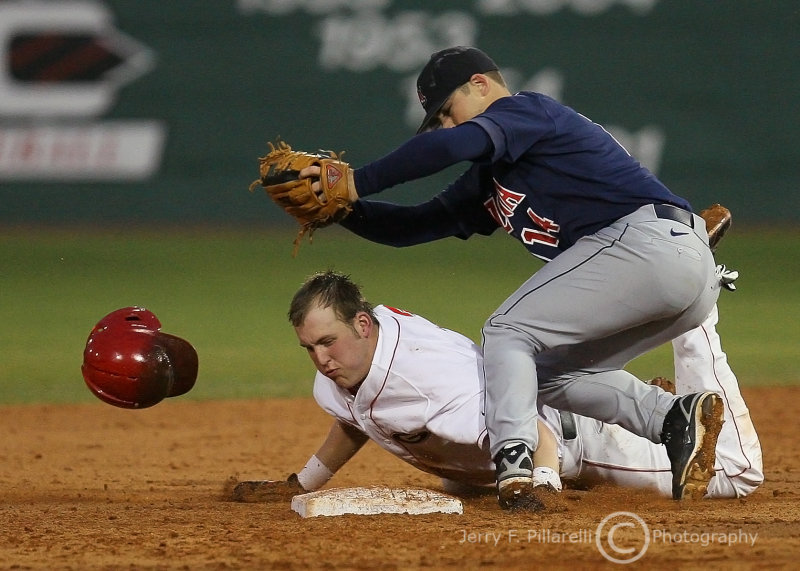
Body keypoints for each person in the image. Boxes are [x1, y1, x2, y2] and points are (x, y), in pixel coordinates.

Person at [297, 46, 727, 508]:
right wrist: (341, 208)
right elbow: (416, 225)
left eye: (447, 111)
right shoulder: (493, 175)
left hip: (648, 246)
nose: (447, 125)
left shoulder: (526, 112)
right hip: (678, 274)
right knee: (537, 374)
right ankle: (673, 416)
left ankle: (515, 467)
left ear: (480, 85)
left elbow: (449, 147)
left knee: (506, 331)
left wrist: (357, 181)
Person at [232, 271, 762, 506]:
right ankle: (632, 398)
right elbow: (357, 416)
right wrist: (303, 483)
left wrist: (546, 487)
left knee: (736, 476)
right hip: (535, 411)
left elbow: (534, 433)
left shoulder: (430, 381)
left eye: (327, 342)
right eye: (309, 348)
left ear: (363, 326)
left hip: (570, 439)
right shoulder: (356, 359)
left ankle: (697, 313)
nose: (320, 359)